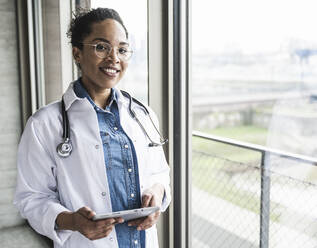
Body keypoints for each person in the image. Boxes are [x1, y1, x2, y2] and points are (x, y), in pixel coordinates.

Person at [14, 8, 171, 248]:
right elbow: (32, 199)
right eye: (101, 47)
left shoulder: (142, 114)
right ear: (77, 53)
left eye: (122, 49)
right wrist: (73, 221)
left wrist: (157, 194)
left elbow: (160, 173)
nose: (114, 58)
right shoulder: (44, 124)